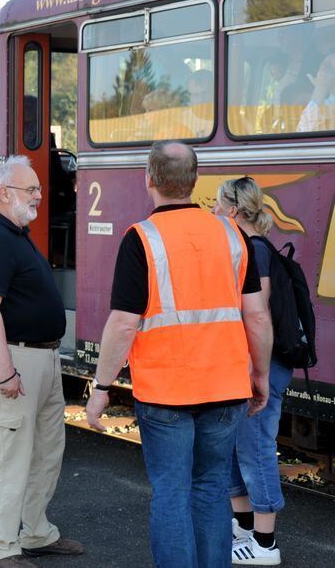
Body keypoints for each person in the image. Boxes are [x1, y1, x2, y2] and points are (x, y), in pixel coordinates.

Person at [85, 142, 272, 568]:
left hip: (167, 392)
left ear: (149, 179)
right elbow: (257, 318)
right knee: (210, 489)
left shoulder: (142, 239)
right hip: (225, 388)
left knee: (172, 492)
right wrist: (259, 376)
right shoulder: (232, 234)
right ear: (194, 182)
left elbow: (123, 323)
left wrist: (102, 387)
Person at [0, 155, 84, 567]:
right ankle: (1, 548)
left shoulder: (16, 233)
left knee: (46, 453)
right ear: (4, 193)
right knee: (10, 456)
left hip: (42, 358)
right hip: (15, 359)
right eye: (31, 188)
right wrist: (5, 371)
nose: (39, 193)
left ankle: (35, 533)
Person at [214, 178, 289, 566]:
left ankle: (265, 544)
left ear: (231, 211)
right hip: (246, 363)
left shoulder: (254, 251)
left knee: (256, 447)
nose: (212, 211)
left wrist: (253, 370)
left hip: (259, 364)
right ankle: (244, 529)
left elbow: (256, 316)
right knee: (238, 447)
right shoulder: (249, 247)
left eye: (216, 205)